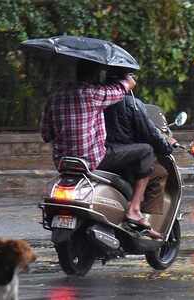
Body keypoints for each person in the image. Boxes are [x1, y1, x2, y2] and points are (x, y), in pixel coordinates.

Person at [40, 60, 142, 224]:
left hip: (63, 163)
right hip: (93, 161)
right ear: (95, 75)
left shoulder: (54, 98)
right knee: (146, 151)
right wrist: (128, 80)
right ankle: (134, 209)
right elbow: (120, 89)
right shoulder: (92, 94)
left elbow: (46, 135)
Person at [99, 67, 174, 239]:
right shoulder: (132, 103)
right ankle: (141, 221)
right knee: (160, 172)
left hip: (100, 157)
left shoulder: (97, 100)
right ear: (126, 80)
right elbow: (150, 133)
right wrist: (166, 146)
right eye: (131, 76)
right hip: (128, 160)